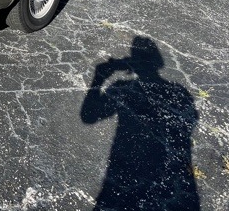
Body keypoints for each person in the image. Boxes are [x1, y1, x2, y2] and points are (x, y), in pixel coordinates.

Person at [80, 36, 200, 210]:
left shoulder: (121, 86)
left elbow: (88, 117)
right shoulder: (180, 92)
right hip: (173, 180)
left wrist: (99, 77)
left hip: (125, 174)